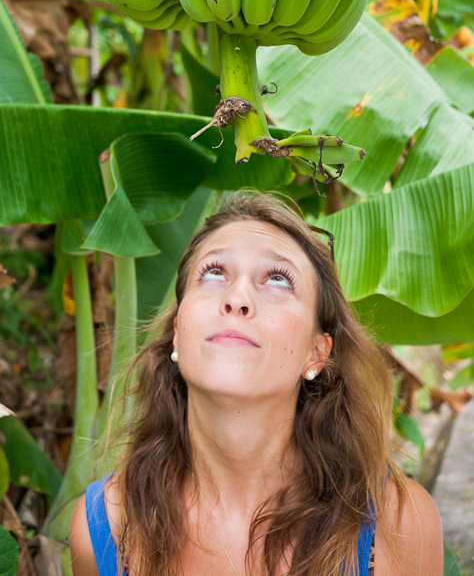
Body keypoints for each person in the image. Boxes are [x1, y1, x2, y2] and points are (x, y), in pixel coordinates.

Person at [69, 190, 443, 576]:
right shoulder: (107, 527)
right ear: (178, 332)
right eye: (214, 272)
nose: (237, 297)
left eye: (278, 279)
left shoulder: (395, 524)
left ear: (317, 352)